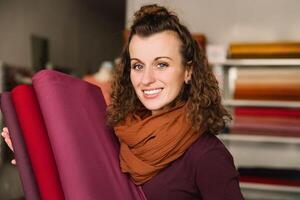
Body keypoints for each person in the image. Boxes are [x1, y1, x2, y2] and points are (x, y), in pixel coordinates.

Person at [2, 4, 244, 199]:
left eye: (161, 64)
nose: (147, 79)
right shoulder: (121, 131)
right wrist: (32, 152)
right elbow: (84, 178)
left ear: (188, 71)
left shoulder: (208, 156)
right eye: (138, 66)